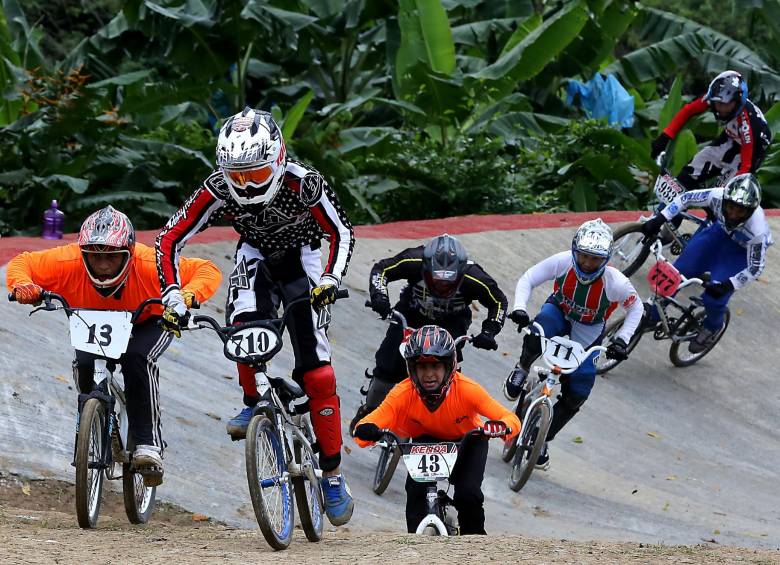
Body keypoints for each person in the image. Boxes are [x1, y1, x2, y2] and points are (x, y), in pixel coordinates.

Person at [155, 107, 356, 525]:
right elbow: (169, 238)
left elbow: (342, 231)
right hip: (255, 257)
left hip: (304, 260)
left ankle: (333, 474)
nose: (245, 185)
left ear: (278, 159)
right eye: (238, 177)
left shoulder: (305, 183)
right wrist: (171, 293)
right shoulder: (216, 188)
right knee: (243, 327)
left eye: (256, 175)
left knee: (318, 373)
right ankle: (253, 402)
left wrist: (333, 279)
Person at [6, 206, 221, 484]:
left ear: (129, 255)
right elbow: (22, 263)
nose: (104, 266)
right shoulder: (65, 261)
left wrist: (187, 295)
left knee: (137, 360)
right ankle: (94, 428)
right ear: (83, 254)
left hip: (149, 319)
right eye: (95, 257)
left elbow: (206, 269)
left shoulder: (149, 264)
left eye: (111, 258)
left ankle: (148, 443)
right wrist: (23, 285)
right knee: (84, 364)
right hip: (93, 319)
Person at [353, 325, 520, 535]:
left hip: (468, 442)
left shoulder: (468, 389)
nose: (429, 374)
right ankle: (415, 545)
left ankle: (476, 546)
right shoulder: (403, 392)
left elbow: (511, 419)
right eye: (422, 367)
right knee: (415, 492)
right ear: (411, 368)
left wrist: (501, 427)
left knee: (468, 495)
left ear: (449, 366)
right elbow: (368, 422)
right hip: (426, 441)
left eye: (436, 366)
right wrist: (367, 430)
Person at [503, 219, 643, 468]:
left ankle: (543, 437)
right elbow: (528, 279)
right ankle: (523, 367)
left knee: (579, 391)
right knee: (538, 330)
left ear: (607, 258)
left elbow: (636, 308)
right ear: (574, 250)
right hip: (559, 311)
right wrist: (520, 309)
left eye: (595, 259)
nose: (588, 264)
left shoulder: (616, 282)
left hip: (588, 328)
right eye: (583, 256)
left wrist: (622, 340)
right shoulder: (562, 261)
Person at [353, 234, 508, 431]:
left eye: (448, 281)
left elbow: (498, 302)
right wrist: (380, 297)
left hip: (451, 324)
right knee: (387, 365)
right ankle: (370, 409)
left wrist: (489, 331)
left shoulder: (474, 277)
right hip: (410, 315)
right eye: (436, 279)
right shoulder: (413, 260)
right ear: (425, 268)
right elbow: (381, 269)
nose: (442, 286)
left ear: (460, 273)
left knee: (447, 378)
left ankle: (439, 423)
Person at [640, 173, 772, 352]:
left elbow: (756, 267)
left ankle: (712, 326)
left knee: (714, 298)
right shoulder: (717, 195)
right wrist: (660, 218)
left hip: (739, 252)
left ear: (750, 210)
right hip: (717, 236)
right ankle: (655, 313)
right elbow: (685, 198)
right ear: (725, 199)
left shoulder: (758, 231)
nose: (733, 214)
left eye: (741, 211)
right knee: (676, 272)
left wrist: (728, 285)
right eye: (731, 207)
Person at [650, 70, 771, 191]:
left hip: (753, 148)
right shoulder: (714, 98)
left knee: (724, 194)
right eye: (718, 104)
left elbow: (746, 166)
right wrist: (665, 136)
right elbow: (689, 110)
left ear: (738, 101)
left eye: (726, 104)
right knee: (689, 173)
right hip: (731, 138)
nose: (721, 109)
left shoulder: (747, 124)